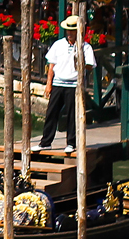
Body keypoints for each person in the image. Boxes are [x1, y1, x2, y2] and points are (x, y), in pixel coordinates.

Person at [39, 16, 96, 152]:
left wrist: (80, 60)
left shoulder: (85, 47)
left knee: (72, 115)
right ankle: (45, 141)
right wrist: (49, 84)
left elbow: (90, 65)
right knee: (51, 113)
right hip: (58, 83)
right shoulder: (58, 44)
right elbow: (51, 66)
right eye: (68, 31)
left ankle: (71, 143)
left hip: (74, 84)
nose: (70, 33)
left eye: (73, 31)